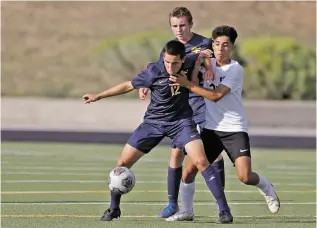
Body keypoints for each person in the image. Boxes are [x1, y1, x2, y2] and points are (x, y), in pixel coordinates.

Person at [82, 40, 233, 224]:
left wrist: (206, 63)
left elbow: (204, 53)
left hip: (181, 122)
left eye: (175, 63)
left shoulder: (190, 60)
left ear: (183, 60)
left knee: (201, 161)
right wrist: (99, 96)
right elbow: (128, 85)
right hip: (153, 123)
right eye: (167, 62)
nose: (170, 67)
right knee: (122, 163)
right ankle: (114, 208)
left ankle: (224, 211)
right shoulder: (154, 70)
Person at [167, 25, 280, 221]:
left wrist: (188, 85)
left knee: (245, 177)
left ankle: (266, 186)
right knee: (188, 172)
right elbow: (194, 80)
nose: (220, 48)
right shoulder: (206, 62)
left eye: (225, 45)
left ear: (232, 48)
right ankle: (187, 211)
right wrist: (198, 65)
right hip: (211, 128)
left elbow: (215, 95)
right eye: (217, 44)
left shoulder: (235, 70)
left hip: (234, 129)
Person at [139, 6, 226, 218]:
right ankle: (173, 204)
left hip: (204, 104)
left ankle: (221, 204)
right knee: (176, 153)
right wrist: (145, 84)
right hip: (181, 108)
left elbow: (219, 67)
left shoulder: (205, 43)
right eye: (174, 26)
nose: (178, 29)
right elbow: (160, 70)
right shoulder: (170, 48)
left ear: (191, 24)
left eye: (182, 25)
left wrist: (208, 66)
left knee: (212, 154)